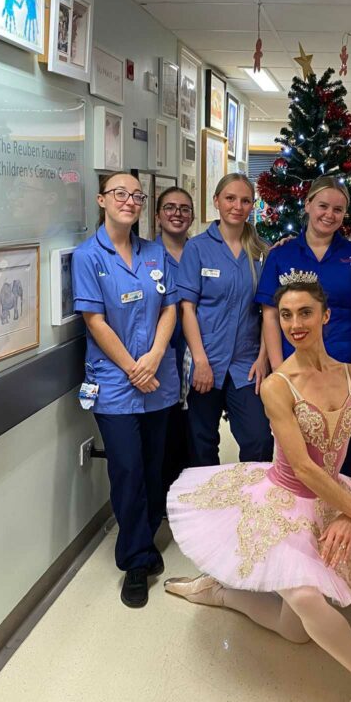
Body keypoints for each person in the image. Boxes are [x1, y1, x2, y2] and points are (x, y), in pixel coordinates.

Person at [165, 279, 351, 702]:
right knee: (303, 595)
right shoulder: (278, 385)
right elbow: (302, 467)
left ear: (325, 316)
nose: (294, 324)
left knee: (294, 632)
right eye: (285, 315)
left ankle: (221, 592)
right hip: (284, 499)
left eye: (304, 313)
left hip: (335, 498)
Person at [72, 172, 178, 608]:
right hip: (116, 382)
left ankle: (144, 539)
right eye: (120, 193)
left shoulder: (155, 253)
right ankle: (135, 561)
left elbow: (170, 307)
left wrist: (153, 358)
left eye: (136, 195)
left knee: (155, 467)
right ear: (102, 200)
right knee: (127, 469)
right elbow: (94, 321)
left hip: (157, 377)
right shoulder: (87, 256)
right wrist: (135, 368)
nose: (129, 201)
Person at [256, 176, 351, 479]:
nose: (329, 214)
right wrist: (278, 369)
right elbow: (270, 316)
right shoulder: (282, 255)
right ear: (308, 205)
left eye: (338, 209)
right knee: (293, 453)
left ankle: (342, 518)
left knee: (341, 455)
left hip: (342, 366)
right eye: (323, 205)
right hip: (294, 369)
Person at [178, 173, 272, 467]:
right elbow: (187, 308)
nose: (237, 206)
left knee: (259, 439)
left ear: (252, 205)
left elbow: (269, 311)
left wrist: (263, 358)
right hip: (206, 360)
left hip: (246, 363)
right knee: (201, 443)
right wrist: (200, 360)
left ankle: (249, 504)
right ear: (216, 201)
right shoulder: (198, 248)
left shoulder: (261, 251)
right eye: (230, 198)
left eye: (245, 200)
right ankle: (208, 509)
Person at [153, 186, 194, 494]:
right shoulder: (146, 255)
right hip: (161, 353)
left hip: (197, 352)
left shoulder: (202, 252)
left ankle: (190, 494)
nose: (177, 214)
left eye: (184, 208)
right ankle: (167, 494)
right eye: (169, 207)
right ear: (157, 216)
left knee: (194, 428)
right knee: (166, 429)